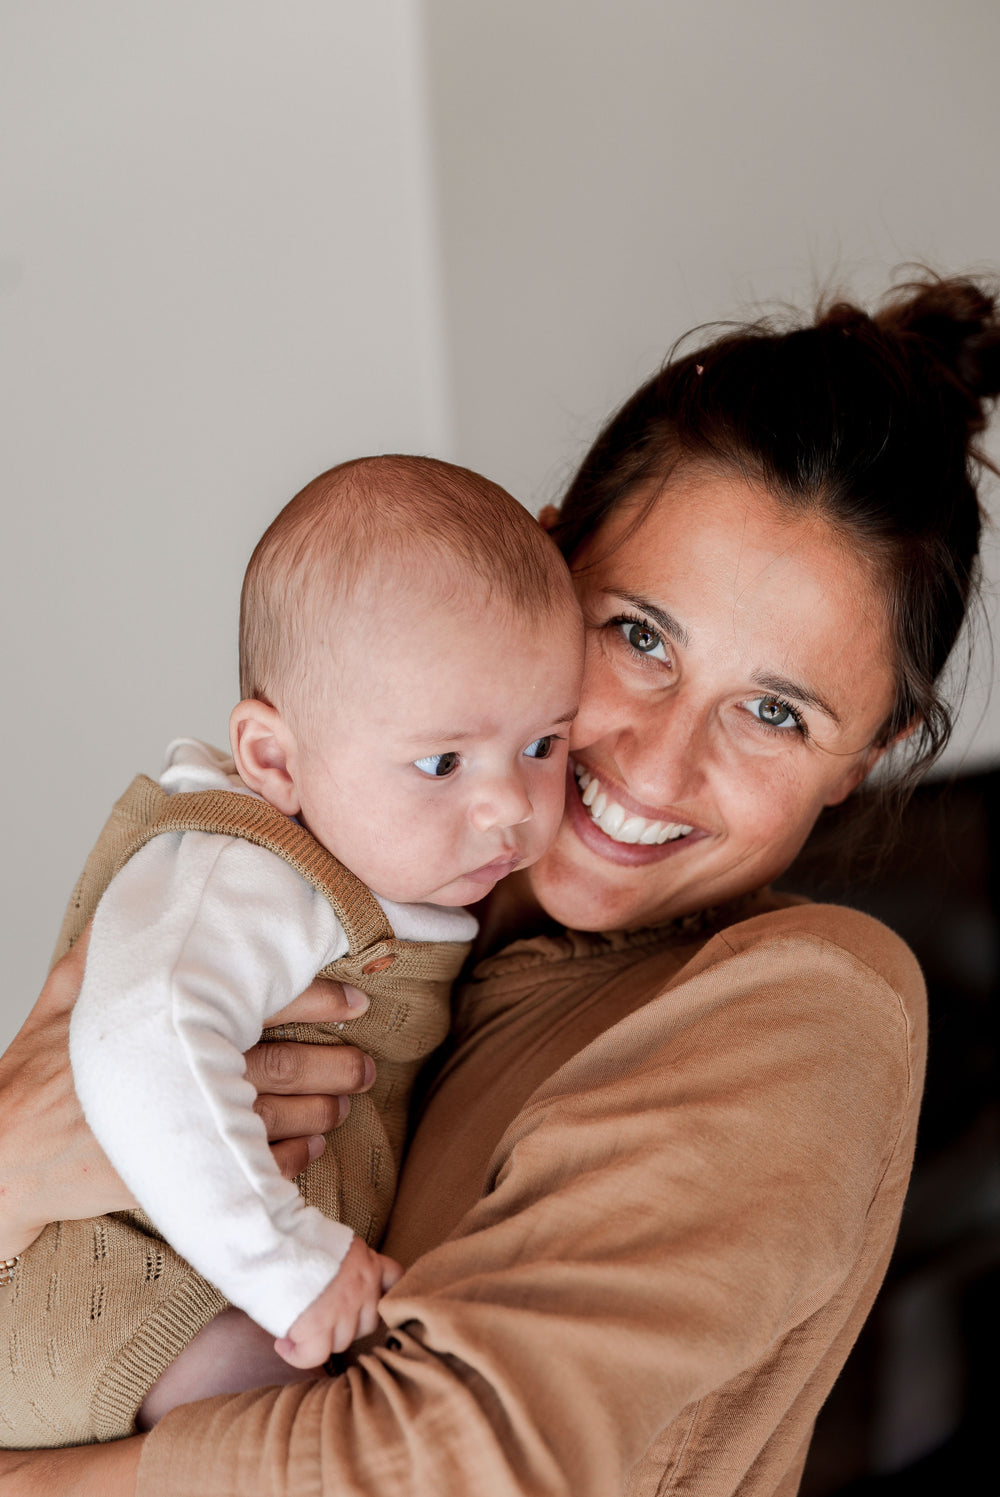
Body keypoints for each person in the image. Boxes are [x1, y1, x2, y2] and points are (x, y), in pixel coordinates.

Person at [0, 274, 997, 1497]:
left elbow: (447, 1470)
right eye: (637, 635)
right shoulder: (353, 903)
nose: (653, 759)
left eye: (775, 712)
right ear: (541, 563)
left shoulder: (803, 1009)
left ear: (875, 755)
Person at [0, 455, 584, 1445]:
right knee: (321, 1425)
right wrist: (290, 1264)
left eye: (543, 746)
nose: (508, 809)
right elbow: (141, 1040)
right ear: (273, 758)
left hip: (203, 1299)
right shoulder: (243, 868)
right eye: (442, 762)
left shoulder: (392, 859)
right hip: (110, 1307)